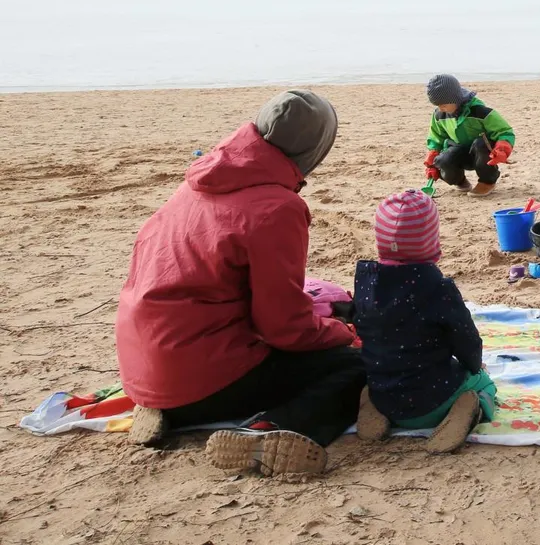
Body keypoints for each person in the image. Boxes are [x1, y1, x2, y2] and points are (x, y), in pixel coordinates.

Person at [115, 90, 364, 477]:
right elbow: (285, 329)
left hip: (142, 366)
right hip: (201, 376)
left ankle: (163, 407)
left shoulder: (199, 181)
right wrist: (340, 333)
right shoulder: (278, 207)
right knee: (358, 367)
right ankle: (269, 430)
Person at [353, 190, 498, 453]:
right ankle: (467, 408)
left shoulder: (365, 281)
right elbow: (465, 338)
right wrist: (473, 366)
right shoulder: (437, 288)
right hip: (434, 399)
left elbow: (362, 327)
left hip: (384, 394)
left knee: (389, 365)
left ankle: (373, 407)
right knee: (484, 383)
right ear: (432, 241)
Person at [423, 75, 516, 196]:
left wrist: (502, 149)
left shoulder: (480, 111)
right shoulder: (439, 115)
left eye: (444, 104)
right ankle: (460, 181)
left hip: (482, 154)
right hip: (458, 151)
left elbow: (504, 131)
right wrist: (432, 162)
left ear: (455, 99)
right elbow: (436, 138)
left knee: (481, 143)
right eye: (437, 105)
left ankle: (487, 182)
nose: (441, 108)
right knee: (442, 160)